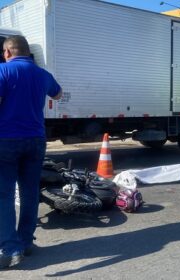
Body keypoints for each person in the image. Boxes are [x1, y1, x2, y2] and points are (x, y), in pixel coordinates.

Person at [0, 35, 62, 269]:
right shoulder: (42, 74)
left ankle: (9, 249)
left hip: (5, 140)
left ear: (7, 52)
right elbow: (57, 94)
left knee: (4, 195)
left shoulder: (2, 72)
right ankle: (25, 241)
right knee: (29, 192)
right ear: (27, 53)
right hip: (36, 139)